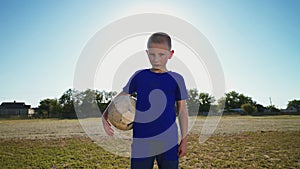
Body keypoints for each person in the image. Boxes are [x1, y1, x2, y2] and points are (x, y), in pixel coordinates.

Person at [102, 32, 189, 169]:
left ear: (170, 54)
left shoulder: (177, 79)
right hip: (142, 141)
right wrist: (105, 114)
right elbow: (121, 97)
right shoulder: (139, 76)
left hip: (168, 141)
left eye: (161, 55)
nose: (156, 59)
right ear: (147, 53)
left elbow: (182, 110)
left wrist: (184, 139)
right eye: (152, 54)